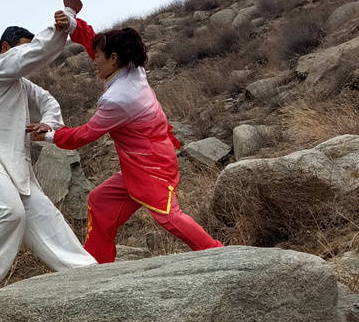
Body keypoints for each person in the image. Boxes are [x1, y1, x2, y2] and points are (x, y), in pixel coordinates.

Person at [27, 18, 223, 263]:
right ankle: (97, 264)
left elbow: (85, 135)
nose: (94, 60)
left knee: (168, 216)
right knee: (100, 201)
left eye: (99, 56)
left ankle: (218, 253)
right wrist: (72, 22)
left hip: (151, 165)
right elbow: (97, 45)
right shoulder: (132, 67)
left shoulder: (118, 99)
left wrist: (48, 135)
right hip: (142, 162)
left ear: (114, 58)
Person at [0, 3, 95, 305]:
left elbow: (48, 101)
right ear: (5, 48)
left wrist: (49, 123)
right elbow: (33, 55)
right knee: (10, 212)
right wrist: (65, 22)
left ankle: (86, 272)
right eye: (22, 50)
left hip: (13, 164)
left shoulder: (20, 84)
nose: (26, 57)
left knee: (46, 216)